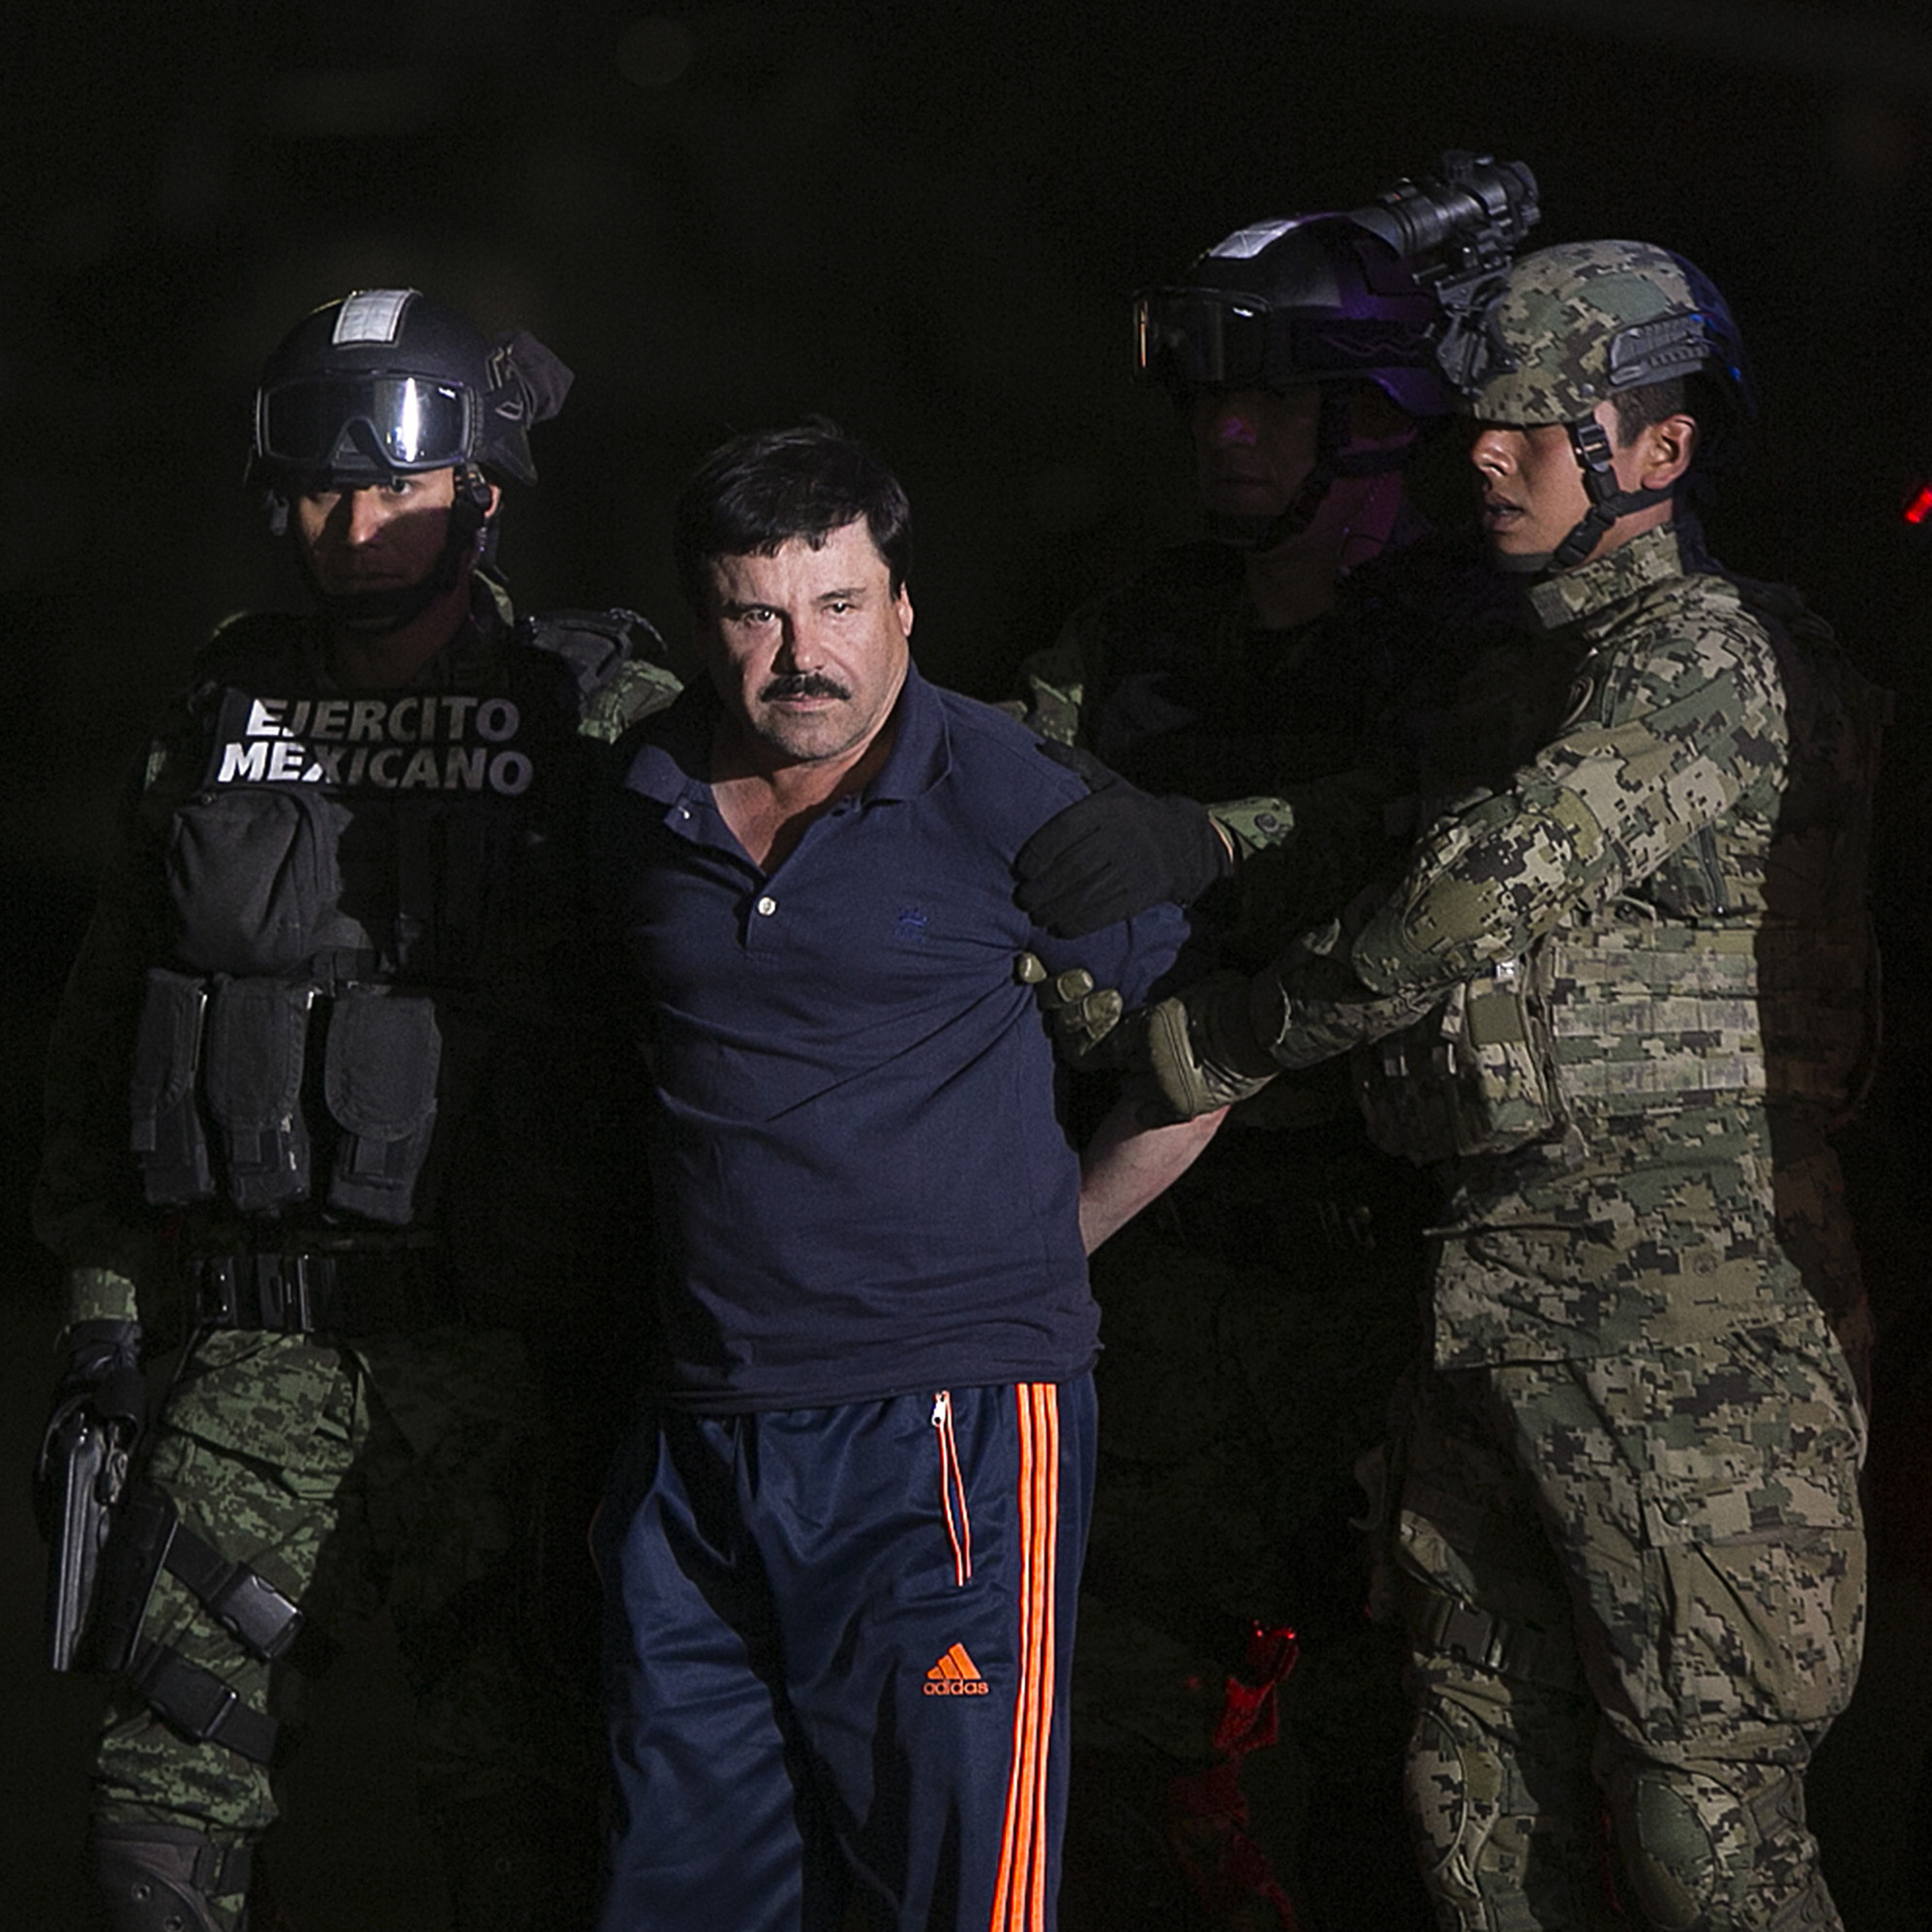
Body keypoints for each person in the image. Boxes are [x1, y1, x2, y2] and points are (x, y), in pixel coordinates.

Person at [1110, 241, 1880, 1930]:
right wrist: (1181, 838)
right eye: (1481, 420)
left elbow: (1471, 892)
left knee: (1703, 1828)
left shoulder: (1706, 662)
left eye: (1540, 424)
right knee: (1474, 1802)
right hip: (1491, 1285)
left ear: (1658, 453)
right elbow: (1369, 816)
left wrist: (1224, 1035)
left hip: (1686, 1319)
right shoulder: (1509, 670)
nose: (1486, 453)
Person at [33, 287, 680, 1932]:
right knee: (154, 1824)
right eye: (321, 487)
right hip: (243, 1354)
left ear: (483, 486)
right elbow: (112, 1012)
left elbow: (706, 1029)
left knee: (525, 1818)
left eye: (393, 483)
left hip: (498, 1368)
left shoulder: (588, 713)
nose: (352, 523)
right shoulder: (220, 702)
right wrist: (104, 1303)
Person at [590, 420, 1204, 1932]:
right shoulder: (643, 794)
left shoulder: (1004, 788)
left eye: (840, 605)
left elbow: (1212, 1062)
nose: (803, 653)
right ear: (702, 619)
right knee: (680, 1896)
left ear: (905, 606)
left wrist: (1042, 1247)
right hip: (701, 1440)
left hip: (948, 1431)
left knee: (953, 1893)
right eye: (757, 612)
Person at [1011, 194, 1524, 1931]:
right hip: (1166, 1285)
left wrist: (1212, 845)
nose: (1222, 437)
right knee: (1132, 1760)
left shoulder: (1473, 639)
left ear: (1374, 418)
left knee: (1416, 1776)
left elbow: (1453, 850)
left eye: (1269, 405)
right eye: (1208, 403)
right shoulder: (1144, 628)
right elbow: (1017, 806)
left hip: (1391, 1288)